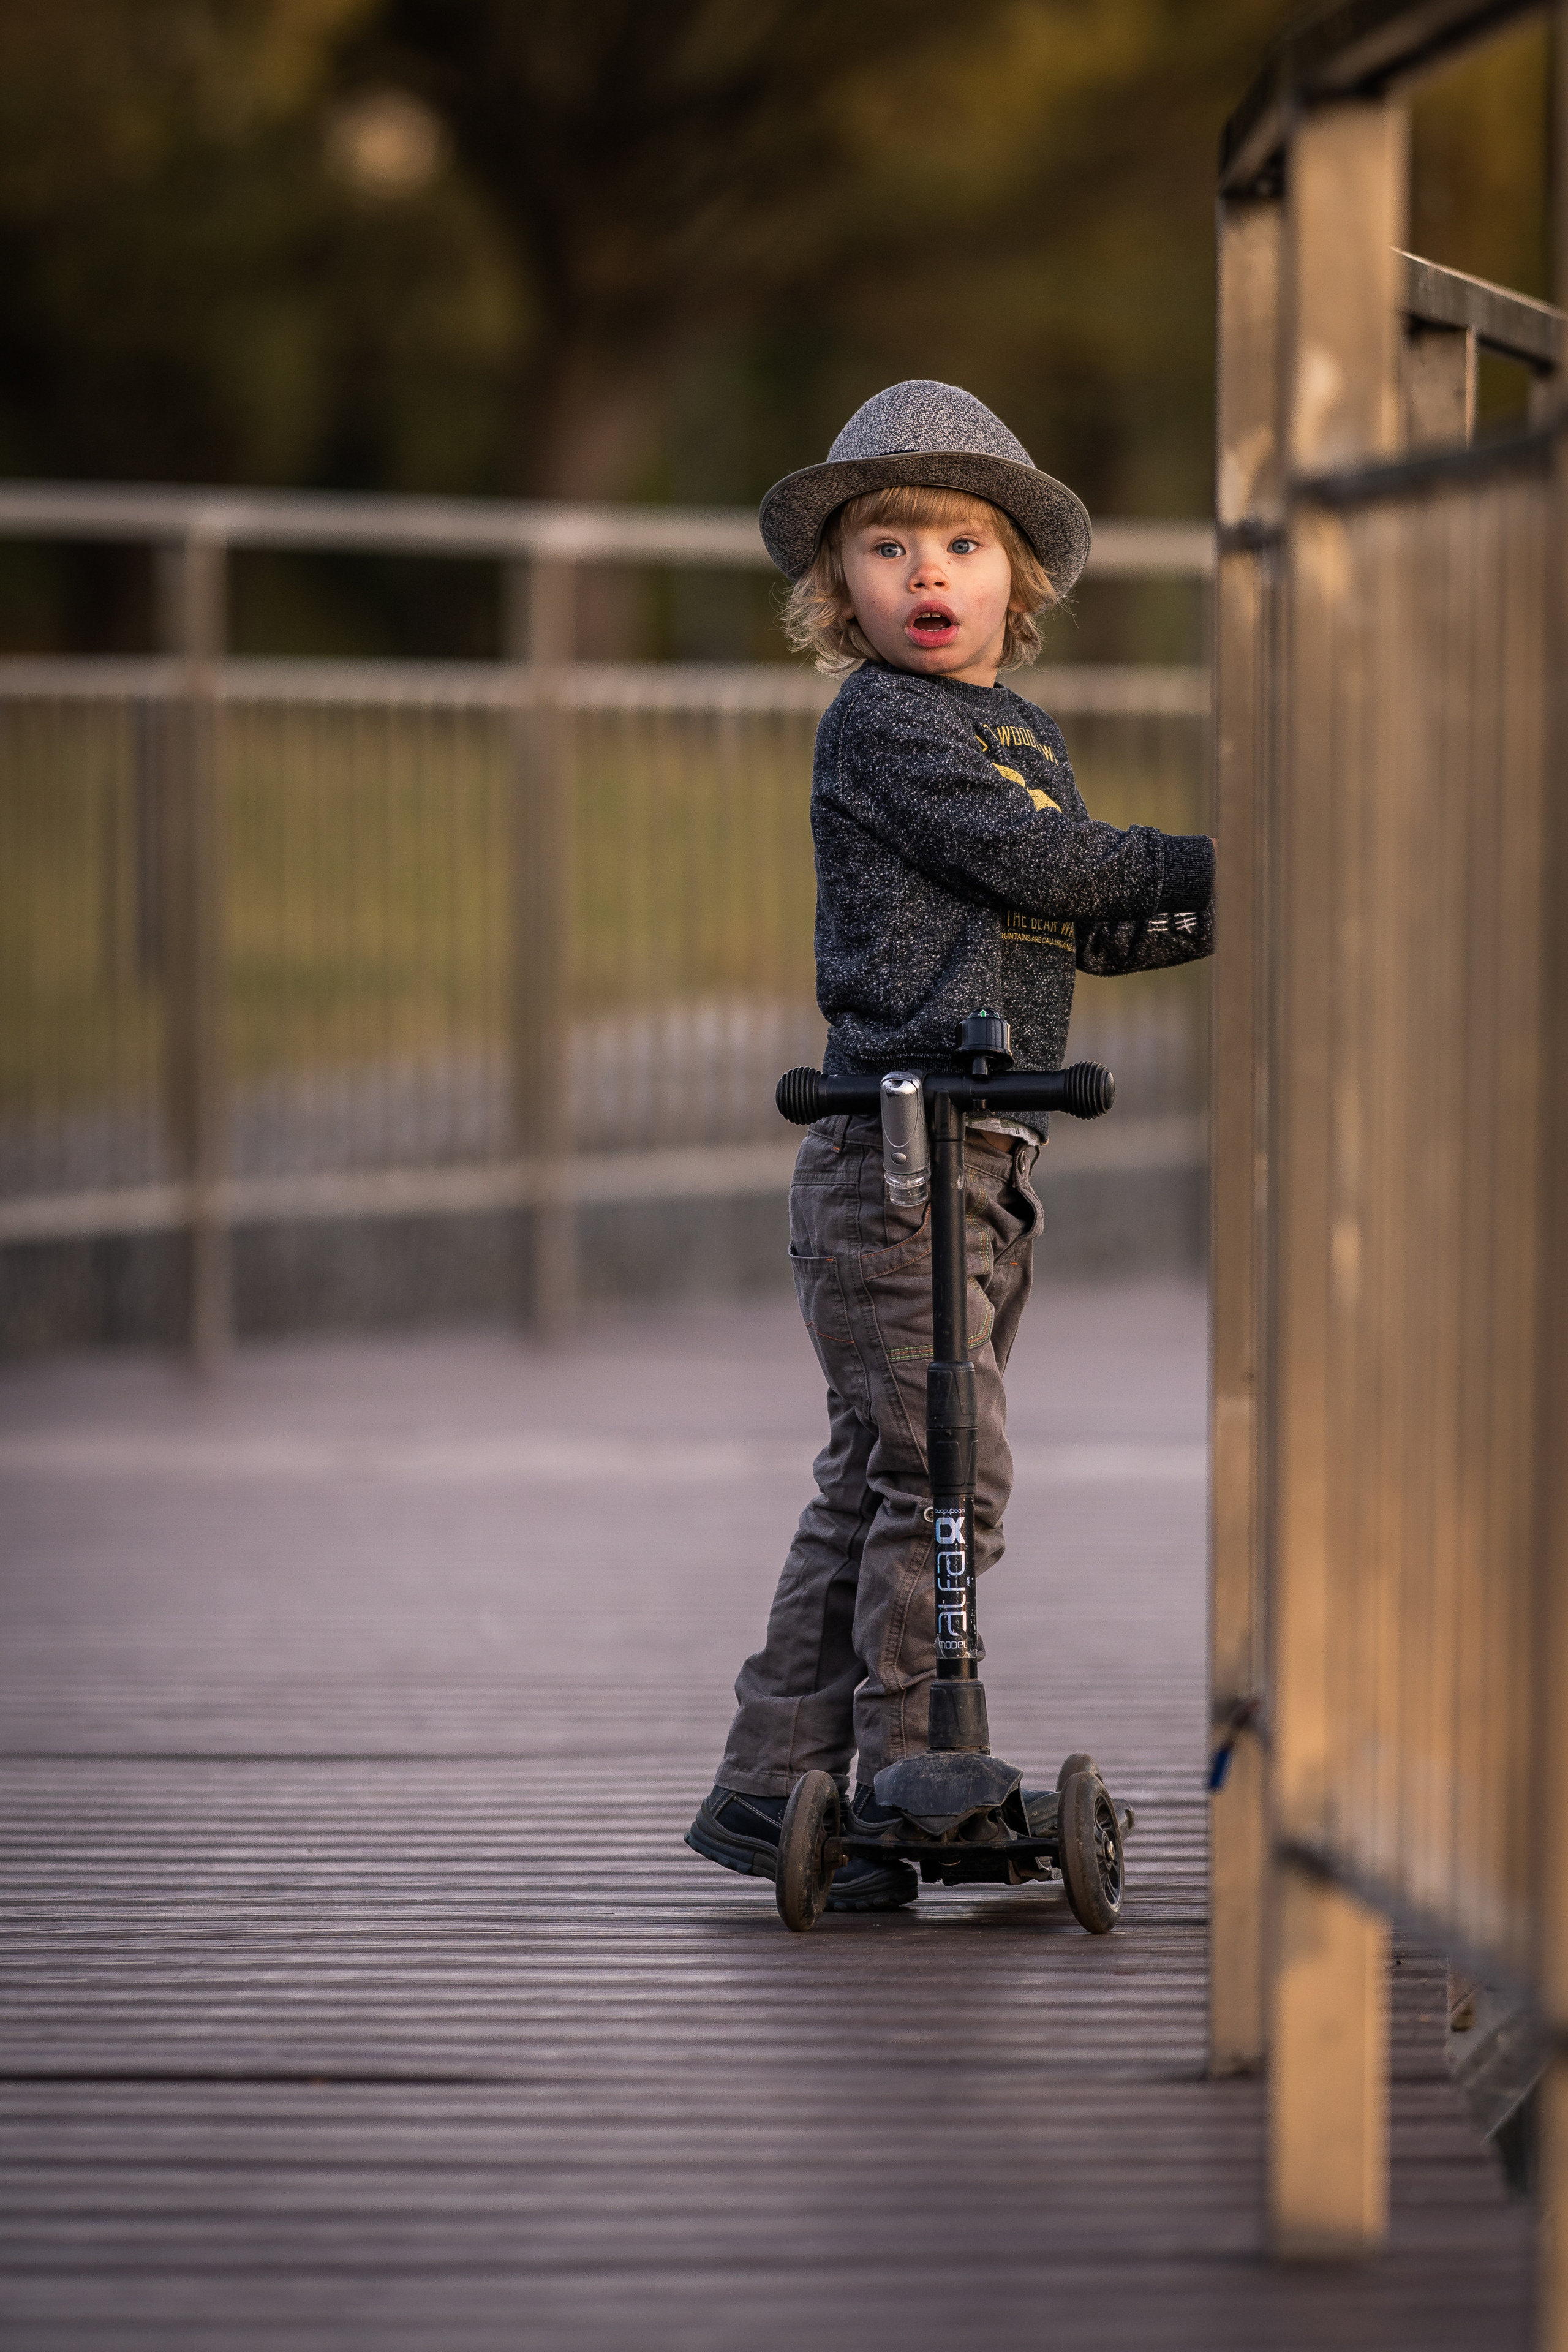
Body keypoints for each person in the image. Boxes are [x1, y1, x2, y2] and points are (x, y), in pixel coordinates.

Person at [685, 380, 1215, 1910]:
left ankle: (767, 1787)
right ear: (834, 590)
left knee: (880, 1474)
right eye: (889, 547)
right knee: (943, 1472)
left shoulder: (1013, 733)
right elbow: (1051, 859)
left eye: (964, 545)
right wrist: (1248, 847)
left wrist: (1229, 903)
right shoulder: (890, 726)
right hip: (889, 1155)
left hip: (982, 1155)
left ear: (1017, 578)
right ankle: (913, 1767)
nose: (928, 575)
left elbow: (1074, 917)